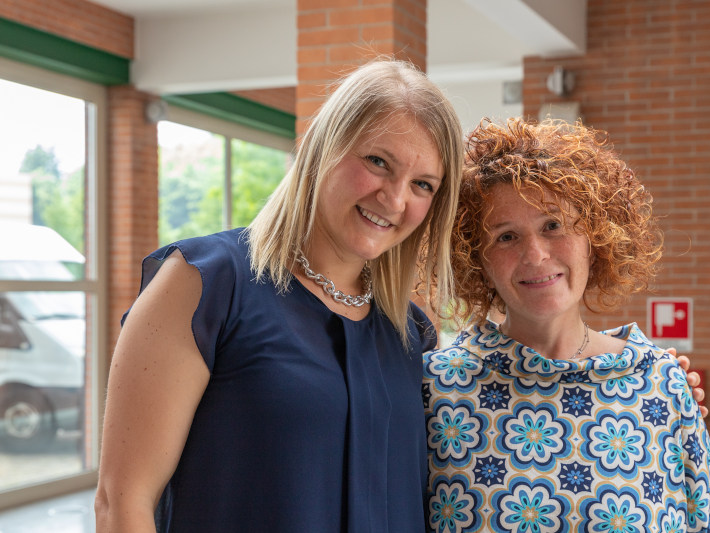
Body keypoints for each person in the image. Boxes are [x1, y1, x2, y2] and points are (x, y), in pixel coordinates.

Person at [94, 59, 465, 533]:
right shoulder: (206, 284)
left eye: (422, 185)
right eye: (378, 162)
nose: (394, 199)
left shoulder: (410, 333)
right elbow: (122, 503)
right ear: (323, 146)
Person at [423, 118, 710, 532]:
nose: (535, 254)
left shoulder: (661, 385)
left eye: (553, 226)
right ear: (477, 259)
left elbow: (706, 522)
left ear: (596, 239)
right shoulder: (436, 389)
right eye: (506, 236)